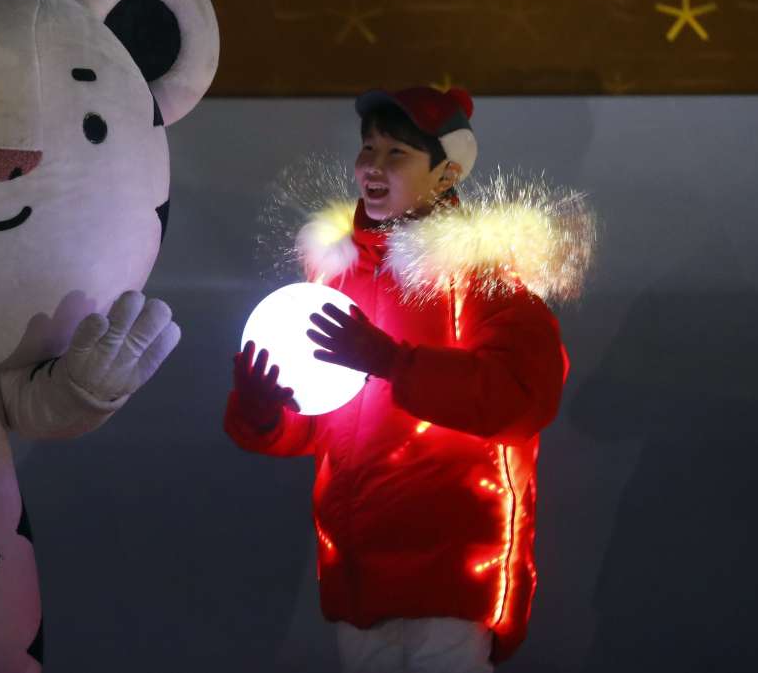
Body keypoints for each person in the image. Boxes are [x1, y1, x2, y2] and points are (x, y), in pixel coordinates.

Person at [226, 86, 588, 671]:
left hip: (453, 566)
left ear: (446, 173)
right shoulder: (334, 277)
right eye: (368, 148)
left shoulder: (483, 275)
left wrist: (392, 362)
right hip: (357, 571)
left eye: (397, 152)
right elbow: (323, 426)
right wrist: (264, 409)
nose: (373, 165)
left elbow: (524, 397)